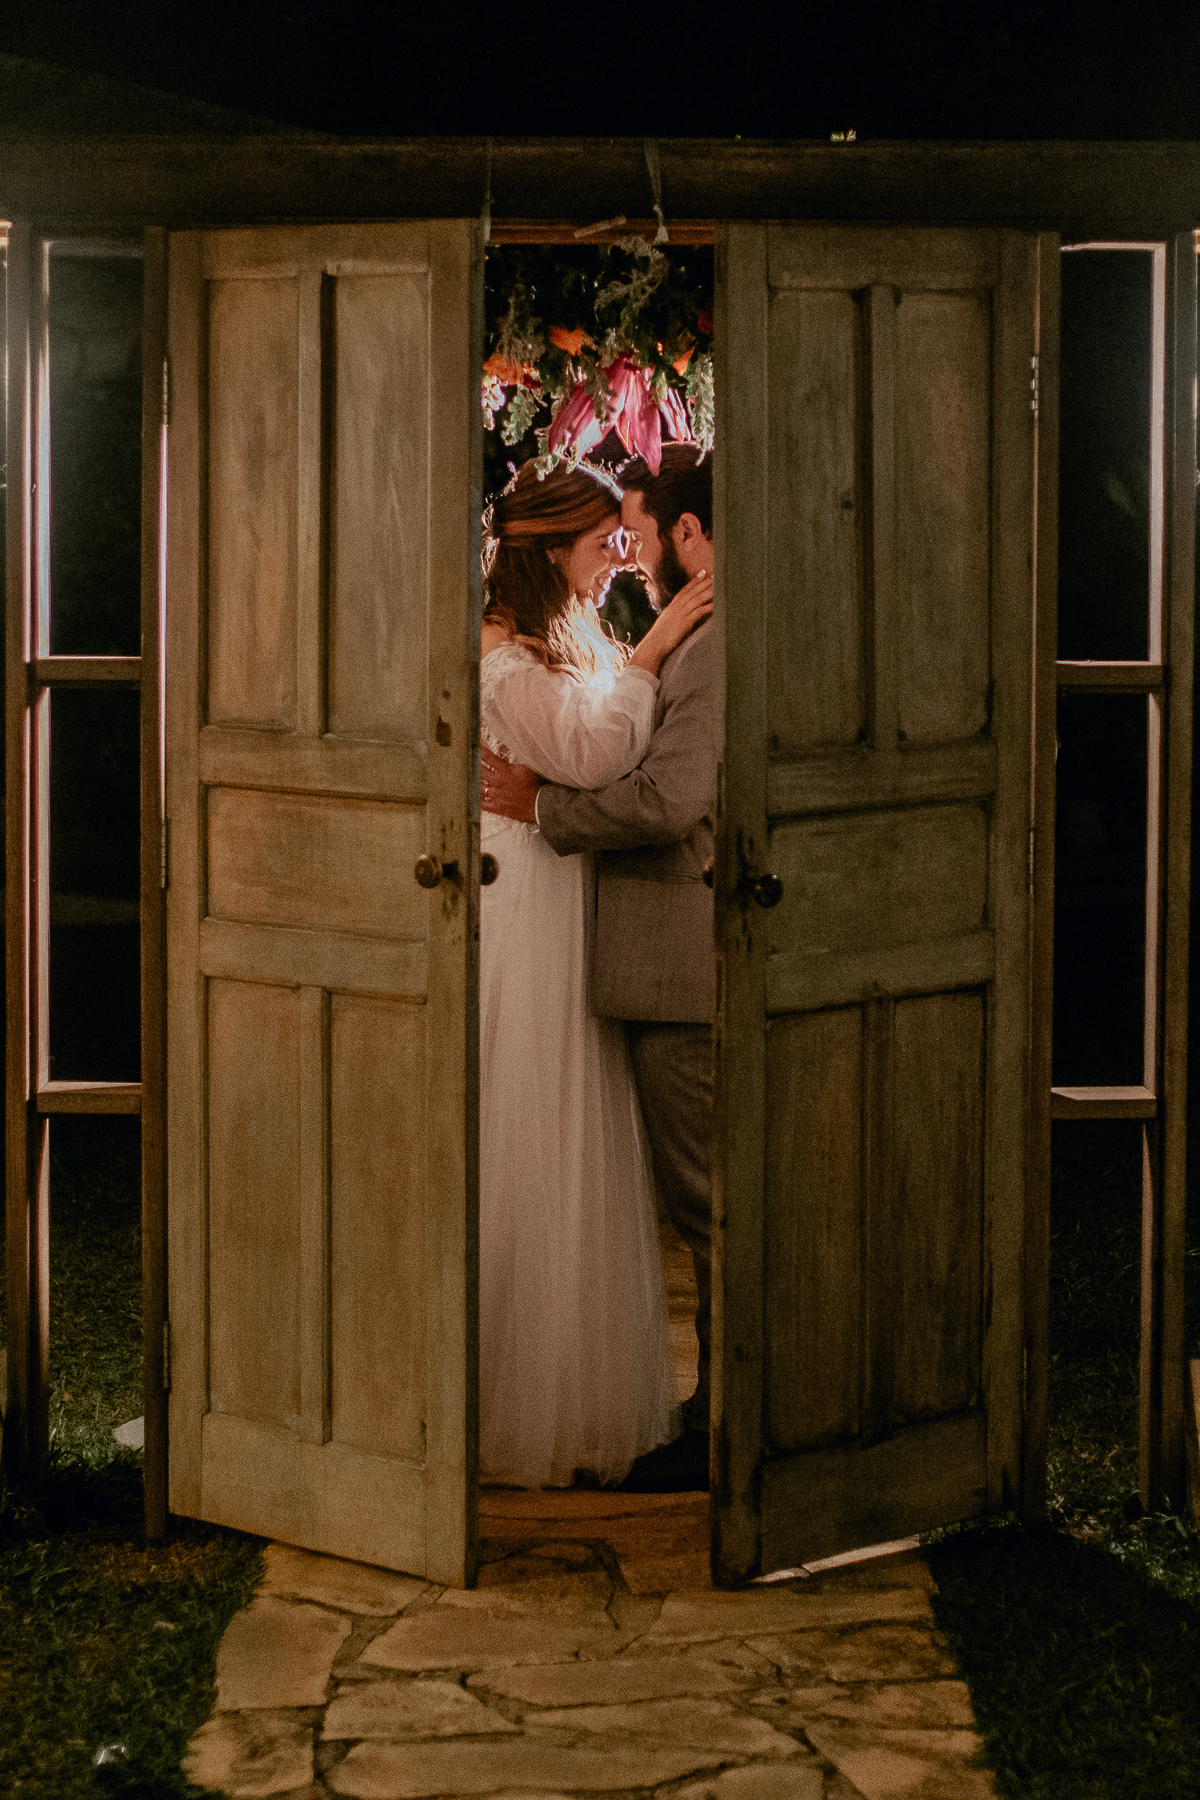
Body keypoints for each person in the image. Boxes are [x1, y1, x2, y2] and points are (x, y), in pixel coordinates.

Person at [482, 442, 716, 1493]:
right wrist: (653, 647)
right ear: (549, 552)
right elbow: (595, 757)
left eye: (625, 540)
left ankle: (576, 1384)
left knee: (576, 1133)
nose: (616, 560)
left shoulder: (556, 638)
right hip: (529, 909)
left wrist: (634, 658)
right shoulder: (501, 657)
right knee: (535, 1129)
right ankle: (522, 1396)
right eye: (599, 544)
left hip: (567, 897)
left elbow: (604, 761)